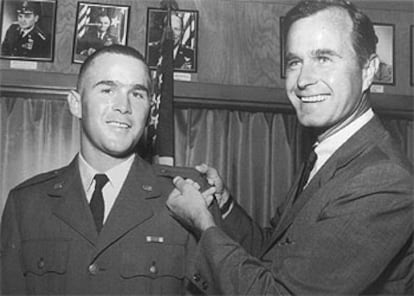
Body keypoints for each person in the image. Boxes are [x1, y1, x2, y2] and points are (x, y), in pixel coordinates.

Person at [166, 0, 414, 294]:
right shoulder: (329, 151)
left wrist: (202, 224)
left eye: (324, 58)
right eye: (295, 62)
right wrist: (224, 205)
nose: (303, 80)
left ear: (368, 70)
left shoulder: (383, 179)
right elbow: (273, 253)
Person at [0, 44, 211, 295]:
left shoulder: (187, 196)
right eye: (108, 89)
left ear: (150, 110)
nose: (123, 106)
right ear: (76, 104)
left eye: (137, 94)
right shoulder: (27, 203)